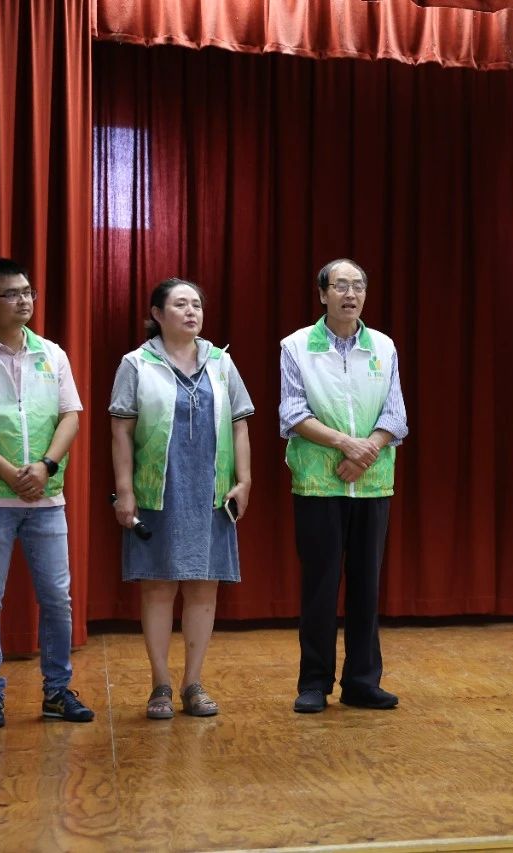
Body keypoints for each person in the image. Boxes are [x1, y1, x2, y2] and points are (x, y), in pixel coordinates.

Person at [0, 257, 95, 728]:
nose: (24, 300)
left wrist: (46, 466)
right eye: (12, 294)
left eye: (28, 291)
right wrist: (12, 474)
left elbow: (70, 415)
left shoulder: (52, 353)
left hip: (47, 498)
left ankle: (57, 693)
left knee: (57, 599)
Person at [110, 277, 254, 719]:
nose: (191, 312)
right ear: (157, 314)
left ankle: (193, 682)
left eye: (197, 305)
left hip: (210, 491)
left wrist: (244, 480)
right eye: (180, 304)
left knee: (203, 587)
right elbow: (121, 431)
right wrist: (125, 491)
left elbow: (240, 424)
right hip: (159, 490)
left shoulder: (221, 362)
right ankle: (160, 684)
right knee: (158, 587)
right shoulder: (136, 363)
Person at [283, 259, 408, 713]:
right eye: (340, 286)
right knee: (320, 587)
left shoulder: (384, 346)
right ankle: (314, 683)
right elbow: (292, 412)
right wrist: (345, 445)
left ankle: (362, 682)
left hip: (372, 484)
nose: (350, 294)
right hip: (319, 484)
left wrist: (366, 450)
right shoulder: (297, 346)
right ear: (323, 294)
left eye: (358, 286)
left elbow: (396, 414)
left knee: (366, 587)